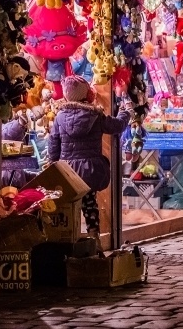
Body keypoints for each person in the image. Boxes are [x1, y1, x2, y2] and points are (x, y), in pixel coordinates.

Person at [48, 75, 132, 246]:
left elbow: (53, 143)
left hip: (67, 170)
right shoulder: (95, 116)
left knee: (67, 204)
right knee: (89, 204)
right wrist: (125, 112)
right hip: (89, 169)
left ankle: (67, 238)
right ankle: (94, 238)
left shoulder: (59, 117)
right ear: (86, 94)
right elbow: (117, 126)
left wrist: (52, 164)